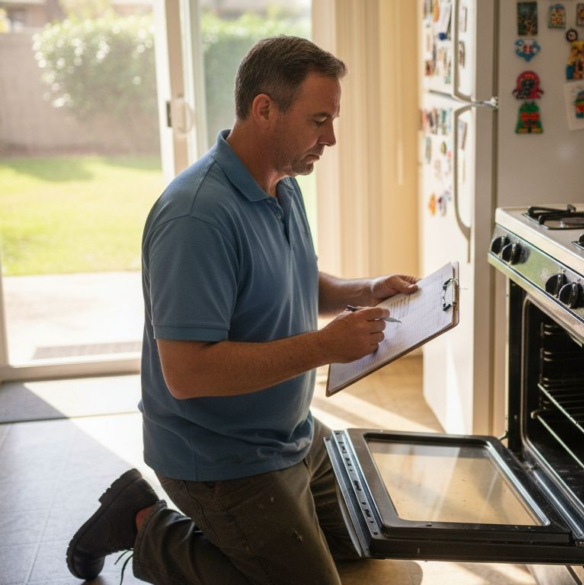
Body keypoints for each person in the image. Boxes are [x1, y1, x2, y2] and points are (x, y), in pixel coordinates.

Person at [65, 36, 417, 584]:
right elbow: (188, 373)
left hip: (291, 430)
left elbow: (290, 280)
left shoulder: (280, 182)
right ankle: (141, 524)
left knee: (372, 543)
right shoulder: (196, 218)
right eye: (319, 120)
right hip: (219, 456)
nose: (331, 138)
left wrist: (364, 288)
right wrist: (326, 346)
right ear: (263, 110)